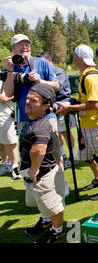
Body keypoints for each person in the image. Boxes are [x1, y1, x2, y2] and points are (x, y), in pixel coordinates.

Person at [56, 44, 98, 201]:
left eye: (75, 56)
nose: (74, 59)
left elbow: (93, 104)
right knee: (87, 156)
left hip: (94, 124)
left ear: (79, 58)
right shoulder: (85, 74)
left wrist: (70, 108)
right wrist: (74, 105)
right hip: (85, 123)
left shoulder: (91, 77)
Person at [20, 83, 66, 243]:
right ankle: (46, 222)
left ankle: (57, 231)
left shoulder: (40, 127)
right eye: (27, 99)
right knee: (43, 204)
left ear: (46, 105)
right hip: (41, 173)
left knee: (53, 206)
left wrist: (33, 169)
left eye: (33, 101)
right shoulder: (38, 120)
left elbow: (37, 150)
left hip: (42, 176)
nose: (27, 102)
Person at [3, 34, 59, 136]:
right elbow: (8, 93)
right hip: (24, 119)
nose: (25, 47)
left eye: (27, 44)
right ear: (13, 48)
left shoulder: (43, 62)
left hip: (46, 117)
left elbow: (56, 86)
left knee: (50, 150)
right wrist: (9, 70)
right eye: (20, 44)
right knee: (27, 151)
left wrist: (39, 81)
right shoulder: (12, 67)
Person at [38, 52, 78, 168]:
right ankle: (63, 155)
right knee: (56, 133)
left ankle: (73, 156)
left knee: (65, 132)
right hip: (51, 107)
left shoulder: (58, 71)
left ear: (49, 61)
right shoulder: (45, 73)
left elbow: (57, 87)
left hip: (62, 104)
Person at [0, 77, 20, 179]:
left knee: (10, 141)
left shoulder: (5, 78)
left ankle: (15, 166)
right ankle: (6, 163)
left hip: (6, 115)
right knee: (1, 143)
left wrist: (5, 97)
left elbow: (6, 97)